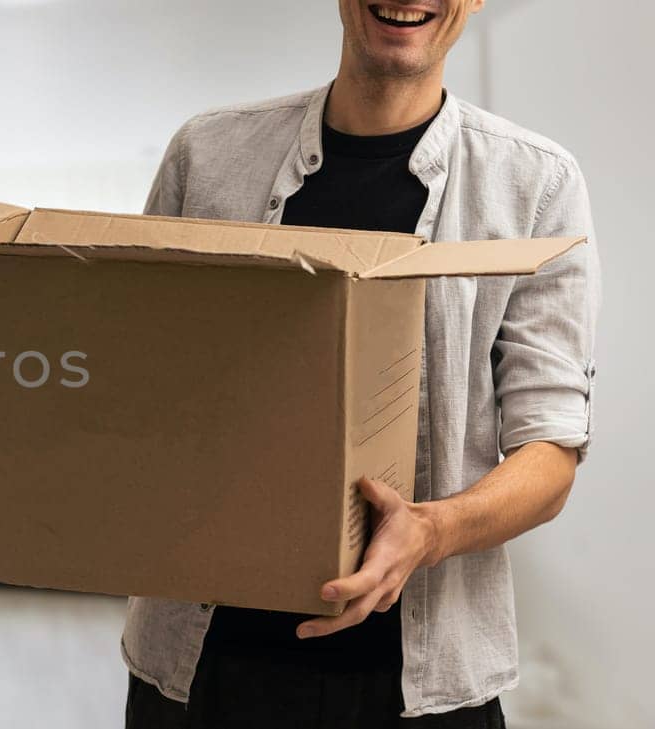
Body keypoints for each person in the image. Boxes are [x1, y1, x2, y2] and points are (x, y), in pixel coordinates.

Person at [123, 1, 599, 726]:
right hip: (201, 672)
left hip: (420, 690)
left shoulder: (536, 185)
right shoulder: (208, 155)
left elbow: (550, 447)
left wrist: (433, 530)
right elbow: (139, 380)